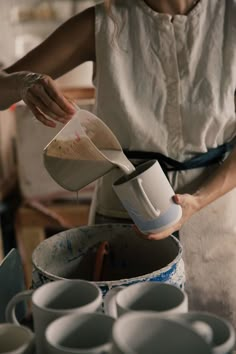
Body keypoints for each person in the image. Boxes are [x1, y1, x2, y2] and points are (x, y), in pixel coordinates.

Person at [0, 0, 236, 328]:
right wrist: (22, 83)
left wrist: (197, 201)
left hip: (216, 220)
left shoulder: (228, 17)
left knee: (216, 332)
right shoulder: (105, 21)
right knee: (130, 334)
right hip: (126, 221)